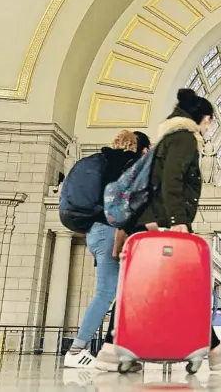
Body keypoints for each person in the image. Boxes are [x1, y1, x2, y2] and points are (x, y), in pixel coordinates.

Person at [132, 88, 221, 371]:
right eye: (210, 120)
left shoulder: (170, 138)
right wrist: (179, 222)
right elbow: (172, 181)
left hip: (156, 223)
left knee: (167, 290)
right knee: (188, 289)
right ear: (202, 117)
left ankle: (120, 347)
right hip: (167, 225)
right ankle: (212, 350)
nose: (210, 126)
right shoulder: (185, 139)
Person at [64, 130, 152, 370]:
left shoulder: (106, 162)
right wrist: (118, 240)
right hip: (108, 233)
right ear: (142, 150)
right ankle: (77, 350)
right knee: (106, 292)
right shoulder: (126, 165)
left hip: (96, 231)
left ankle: (114, 353)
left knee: (121, 293)